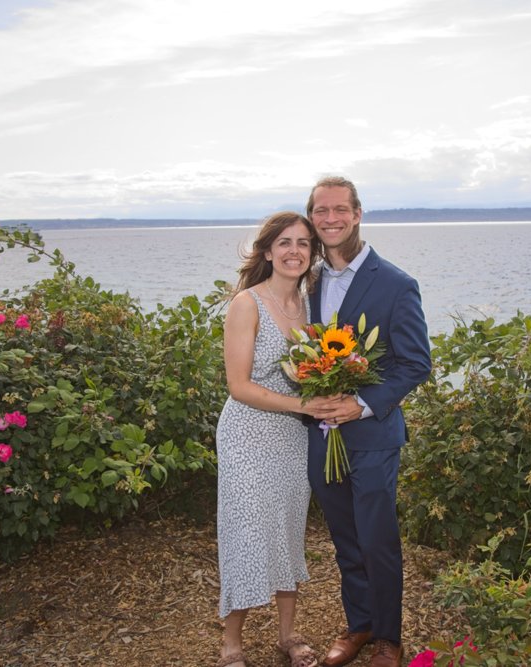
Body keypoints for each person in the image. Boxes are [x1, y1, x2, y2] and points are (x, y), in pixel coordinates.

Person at [304, 177, 431, 667]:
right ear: (312, 216)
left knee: (377, 539)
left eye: (339, 209)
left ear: (358, 214)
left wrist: (360, 403)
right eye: (320, 210)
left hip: (374, 435)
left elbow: (415, 362)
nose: (330, 219)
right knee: (344, 539)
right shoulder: (307, 280)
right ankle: (358, 625)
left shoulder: (397, 283)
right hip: (321, 435)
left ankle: (388, 638)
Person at [216, 211, 338, 667]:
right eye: (284, 242)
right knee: (245, 530)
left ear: (313, 253)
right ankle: (232, 642)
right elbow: (239, 386)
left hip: (292, 437)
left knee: (288, 529)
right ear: (268, 251)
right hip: (247, 433)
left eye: (304, 243)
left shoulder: (314, 307)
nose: (294, 251)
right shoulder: (247, 304)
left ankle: (289, 634)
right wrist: (304, 405)